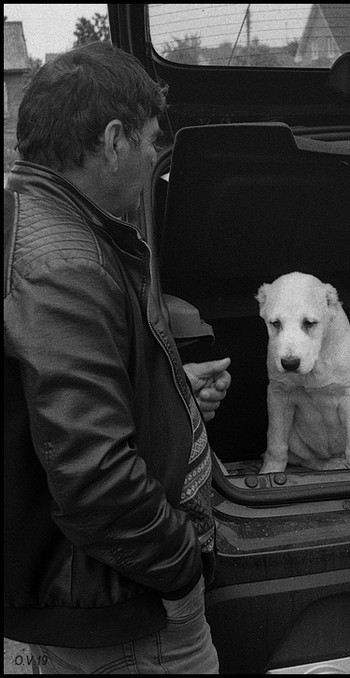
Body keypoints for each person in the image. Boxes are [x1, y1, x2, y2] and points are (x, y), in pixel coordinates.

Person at [4, 41, 231, 673]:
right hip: (125, 615)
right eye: (153, 142)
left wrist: (165, 387)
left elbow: (49, 406)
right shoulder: (67, 264)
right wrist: (182, 568)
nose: (157, 161)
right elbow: (94, 479)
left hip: (90, 598)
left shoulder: (34, 219)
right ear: (112, 139)